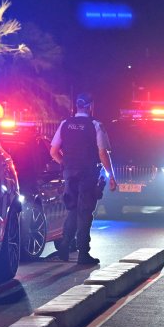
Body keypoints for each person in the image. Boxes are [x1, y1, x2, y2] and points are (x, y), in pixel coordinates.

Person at [49, 92, 118, 265]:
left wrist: (65, 164)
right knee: (85, 212)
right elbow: (102, 152)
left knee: (72, 210)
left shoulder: (65, 124)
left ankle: (64, 248)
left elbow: (53, 151)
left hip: (69, 173)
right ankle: (83, 254)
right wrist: (111, 176)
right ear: (90, 106)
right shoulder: (95, 125)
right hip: (88, 173)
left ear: (77, 106)